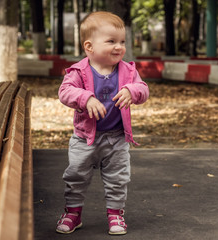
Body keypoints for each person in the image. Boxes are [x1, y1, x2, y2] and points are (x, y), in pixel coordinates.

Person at [56, 11, 149, 235]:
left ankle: (115, 215)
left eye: (122, 41)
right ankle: (73, 213)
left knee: (117, 178)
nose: (119, 46)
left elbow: (144, 89)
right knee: (76, 176)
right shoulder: (79, 71)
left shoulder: (128, 71)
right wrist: (84, 97)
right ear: (89, 47)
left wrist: (132, 90)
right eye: (111, 41)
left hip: (116, 138)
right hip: (84, 139)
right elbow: (65, 92)